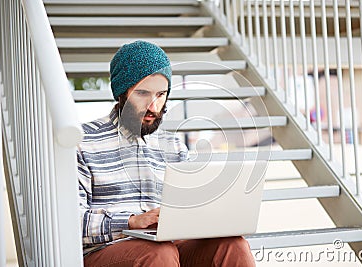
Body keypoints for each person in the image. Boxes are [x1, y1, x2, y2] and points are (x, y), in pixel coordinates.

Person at [77, 40, 256, 267]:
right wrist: (131, 222)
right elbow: (71, 219)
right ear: (121, 93)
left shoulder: (174, 146)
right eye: (143, 94)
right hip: (107, 252)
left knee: (232, 246)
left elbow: (193, 208)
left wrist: (216, 219)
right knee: (158, 253)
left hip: (169, 249)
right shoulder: (83, 142)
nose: (154, 106)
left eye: (161, 94)